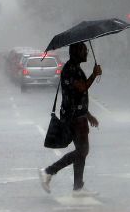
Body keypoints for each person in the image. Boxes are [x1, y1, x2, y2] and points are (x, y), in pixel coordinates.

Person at [39, 42, 102, 197]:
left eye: (87, 50)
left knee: (82, 151)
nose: (86, 53)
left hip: (78, 116)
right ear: (75, 52)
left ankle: (78, 187)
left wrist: (88, 115)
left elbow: (77, 96)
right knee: (82, 150)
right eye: (84, 50)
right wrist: (94, 74)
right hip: (73, 118)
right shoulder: (70, 69)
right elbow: (81, 88)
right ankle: (48, 171)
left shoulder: (75, 68)